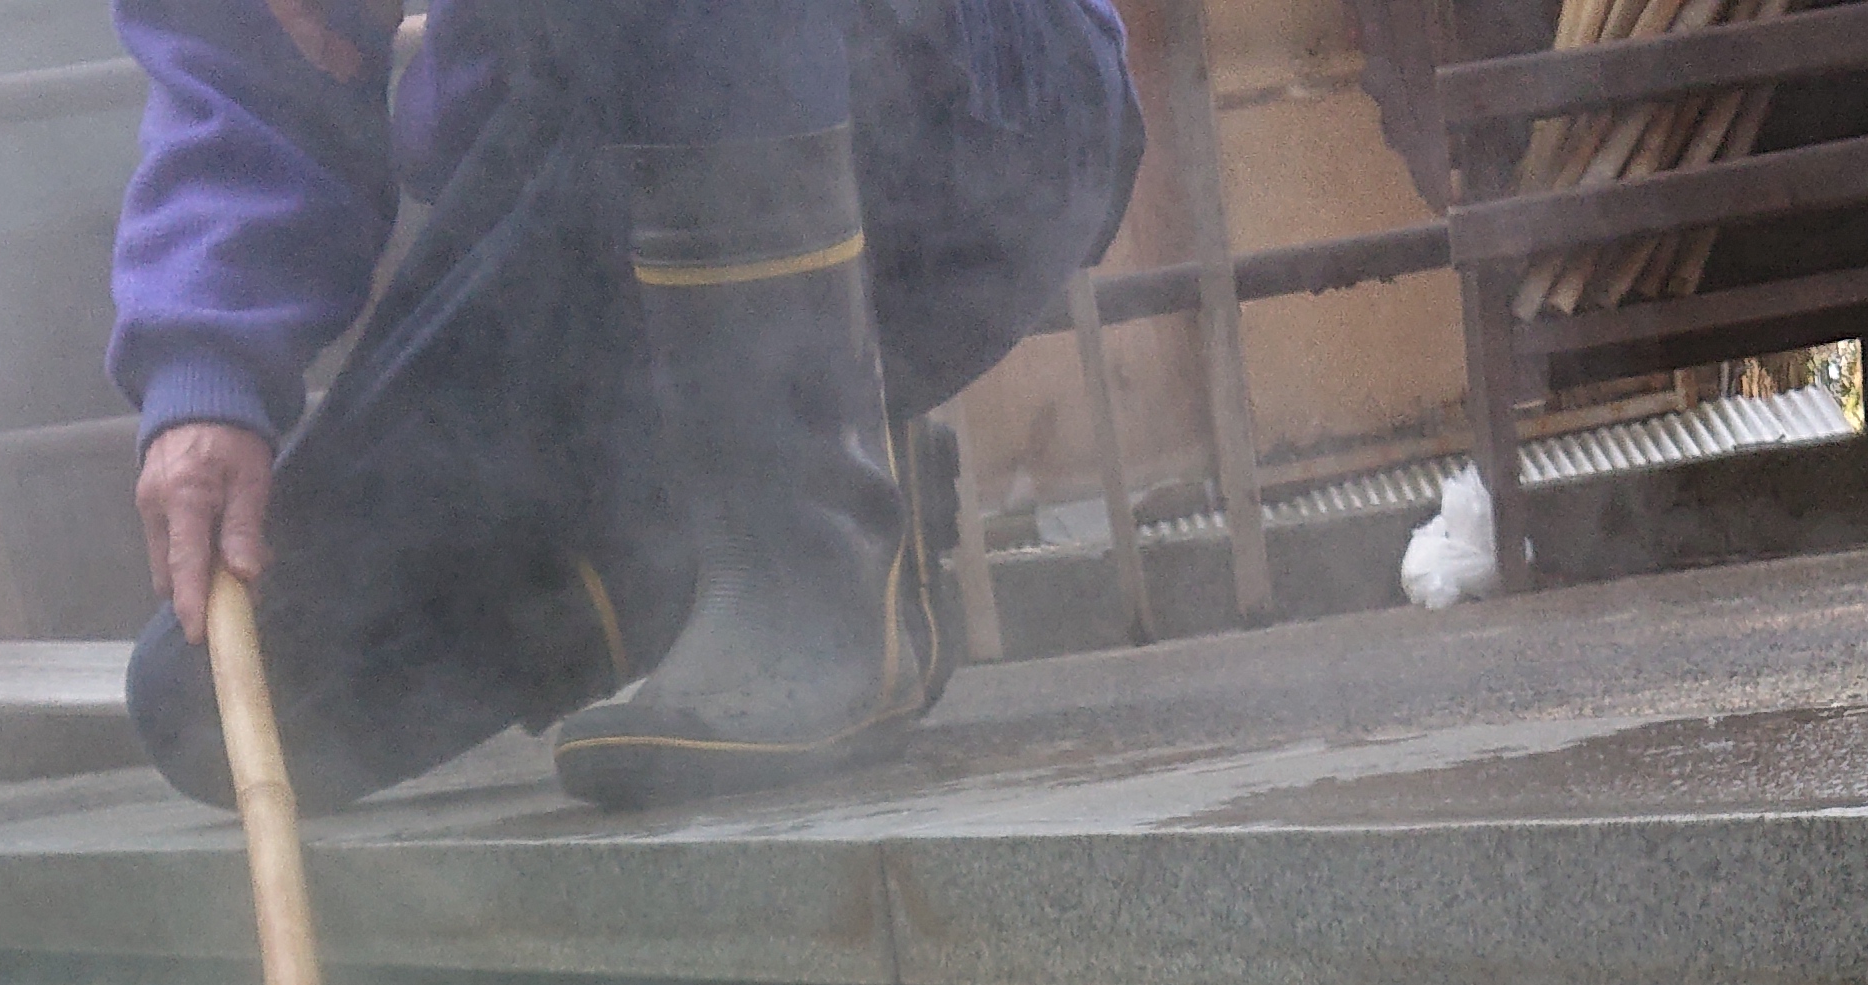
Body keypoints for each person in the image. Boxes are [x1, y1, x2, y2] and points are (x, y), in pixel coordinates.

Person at [112, 0, 1141, 811]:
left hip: (958, 106)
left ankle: (804, 562)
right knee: (226, 700)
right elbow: (246, 59)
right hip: (608, 193)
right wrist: (207, 368)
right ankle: (816, 482)